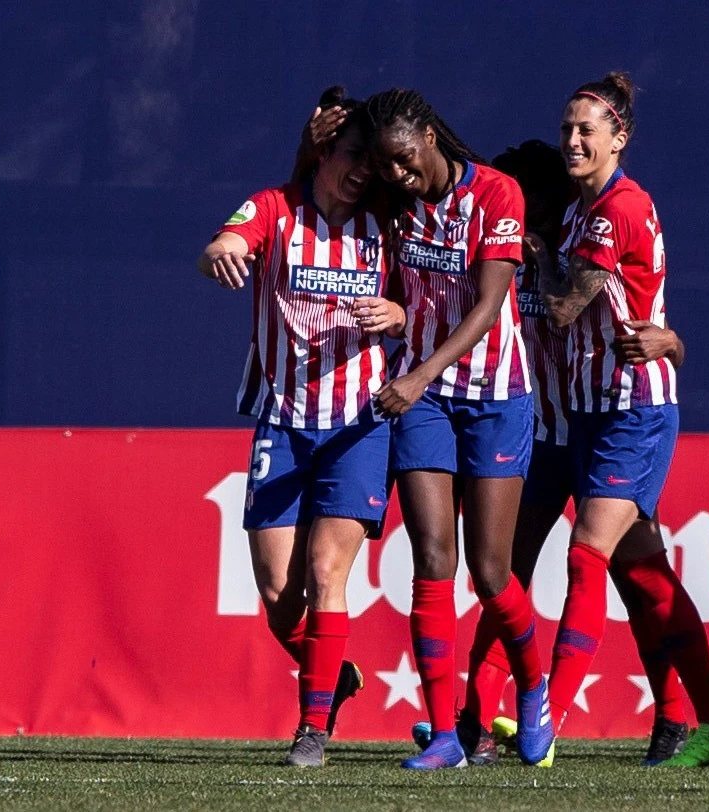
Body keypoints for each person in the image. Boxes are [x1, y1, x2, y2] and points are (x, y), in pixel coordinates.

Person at [456, 140, 709, 769]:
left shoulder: (574, 246)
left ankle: (670, 717)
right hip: (543, 439)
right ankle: (474, 726)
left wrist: (676, 347)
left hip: (601, 422)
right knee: (506, 579)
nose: (516, 216)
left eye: (527, 205)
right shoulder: (501, 256)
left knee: (629, 577)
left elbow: (630, 313)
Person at [536, 71, 709, 769]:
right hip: (590, 411)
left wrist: (528, 263)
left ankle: (547, 719)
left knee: (585, 554)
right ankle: (705, 722)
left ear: (618, 137)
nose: (571, 139)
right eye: (566, 128)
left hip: (634, 407)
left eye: (585, 129)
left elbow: (563, 308)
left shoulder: (616, 207)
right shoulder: (575, 211)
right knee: (644, 577)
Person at [196, 89, 403, 768]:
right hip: (282, 424)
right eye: (348, 155)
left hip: (358, 425)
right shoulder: (274, 209)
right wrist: (221, 247)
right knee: (281, 602)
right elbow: (224, 241)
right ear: (319, 151)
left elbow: (420, 304)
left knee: (326, 572)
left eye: (368, 161)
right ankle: (329, 672)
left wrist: (396, 317)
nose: (359, 171)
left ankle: (312, 731)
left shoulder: (389, 228)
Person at [361, 88, 553, 770]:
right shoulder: (392, 202)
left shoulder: (497, 194)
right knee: (432, 563)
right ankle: (445, 734)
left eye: (405, 161)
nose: (396, 175)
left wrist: (414, 374)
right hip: (426, 405)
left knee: (490, 571)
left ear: (431, 139)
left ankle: (532, 686)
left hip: (496, 397)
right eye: (384, 165)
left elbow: (489, 304)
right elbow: (321, 179)